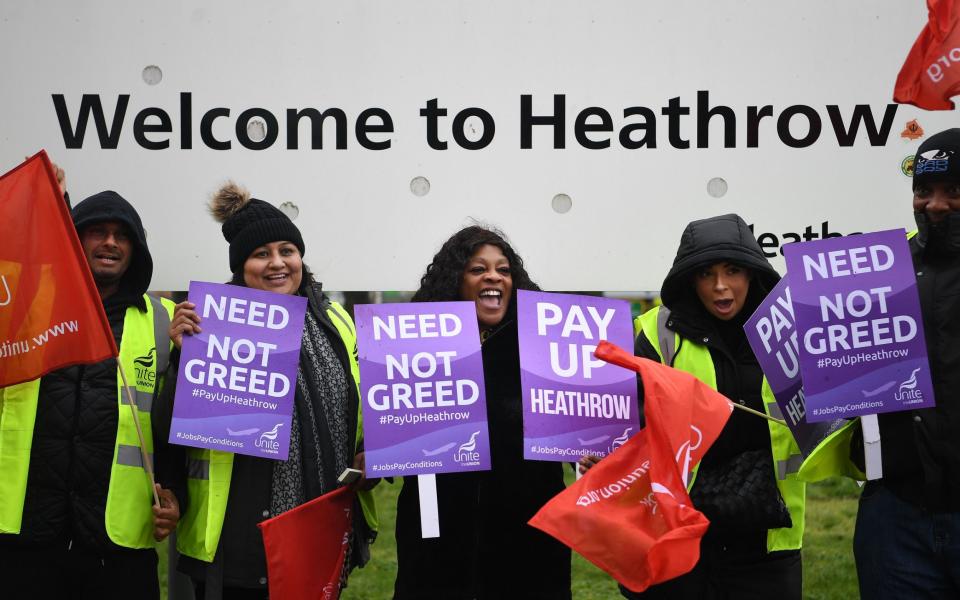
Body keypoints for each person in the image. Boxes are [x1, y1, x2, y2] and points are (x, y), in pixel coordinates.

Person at [159, 183, 378, 599]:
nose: (277, 263)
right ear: (242, 267)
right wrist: (183, 361)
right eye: (261, 254)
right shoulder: (209, 326)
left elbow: (361, 411)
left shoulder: (336, 322)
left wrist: (372, 454)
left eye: (287, 250)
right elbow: (171, 430)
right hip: (240, 546)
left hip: (321, 534)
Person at [582, 214, 806, 599]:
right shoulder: (654, 333)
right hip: (677, 536)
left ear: (752, 273)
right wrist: (603, 458)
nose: (720, 285)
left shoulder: (791, 329)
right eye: (706, 273)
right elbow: (626, 425)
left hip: (767, 543)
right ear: (689, 279)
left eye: (733, 270)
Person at [0, 190, 180, 600]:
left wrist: (176, 496)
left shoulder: (165, 323)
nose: (110, 243)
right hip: (23, 536)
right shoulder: (22, 305)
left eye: (122, 235)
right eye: (97, 231)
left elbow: (178, 426)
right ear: (74, 238)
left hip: (116, 543)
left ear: (136, 248)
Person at [393, 225, 572, 600]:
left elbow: (581, 430)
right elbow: (392, 429)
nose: (493, 276)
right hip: (438, 539)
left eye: (503, 270)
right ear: (455, 281)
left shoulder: (546, 351)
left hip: (529, 540)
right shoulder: (414, 349)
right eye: (478, 269)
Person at [848, 128, 960, 599]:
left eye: (954, 192)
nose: (935, 205)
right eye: (924, 191)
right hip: (895, 517)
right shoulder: (876, 272)